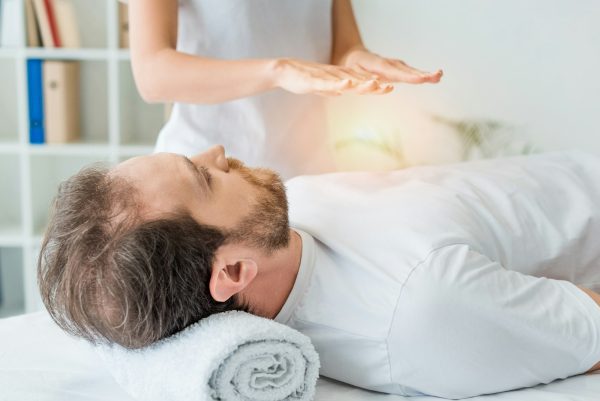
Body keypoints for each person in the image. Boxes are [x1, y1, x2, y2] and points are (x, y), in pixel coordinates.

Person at [38, 146, 600, 399]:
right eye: (203, 178)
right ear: (233, 270)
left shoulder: (278, 216)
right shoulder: (422, 310)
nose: (217, 151)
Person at [126, 0, 443, 178]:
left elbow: (344, 47)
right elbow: (152, 73)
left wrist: (361, 60)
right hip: (205, 180)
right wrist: (277, 71)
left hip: (308, 177)